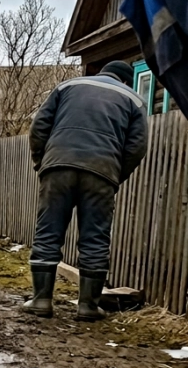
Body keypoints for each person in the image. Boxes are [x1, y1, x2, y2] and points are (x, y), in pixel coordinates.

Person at [26, 61, 148, 321]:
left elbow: (39, 127)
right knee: (95, 238)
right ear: (126, 80)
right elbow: (136, 147)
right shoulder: (134, 100)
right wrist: (114, 175)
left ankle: (41, 300)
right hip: (102, 171)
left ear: (101, 72)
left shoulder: (67, 86)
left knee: (48, 232)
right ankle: (88, 307)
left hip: (58, 166)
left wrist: (42, 163)